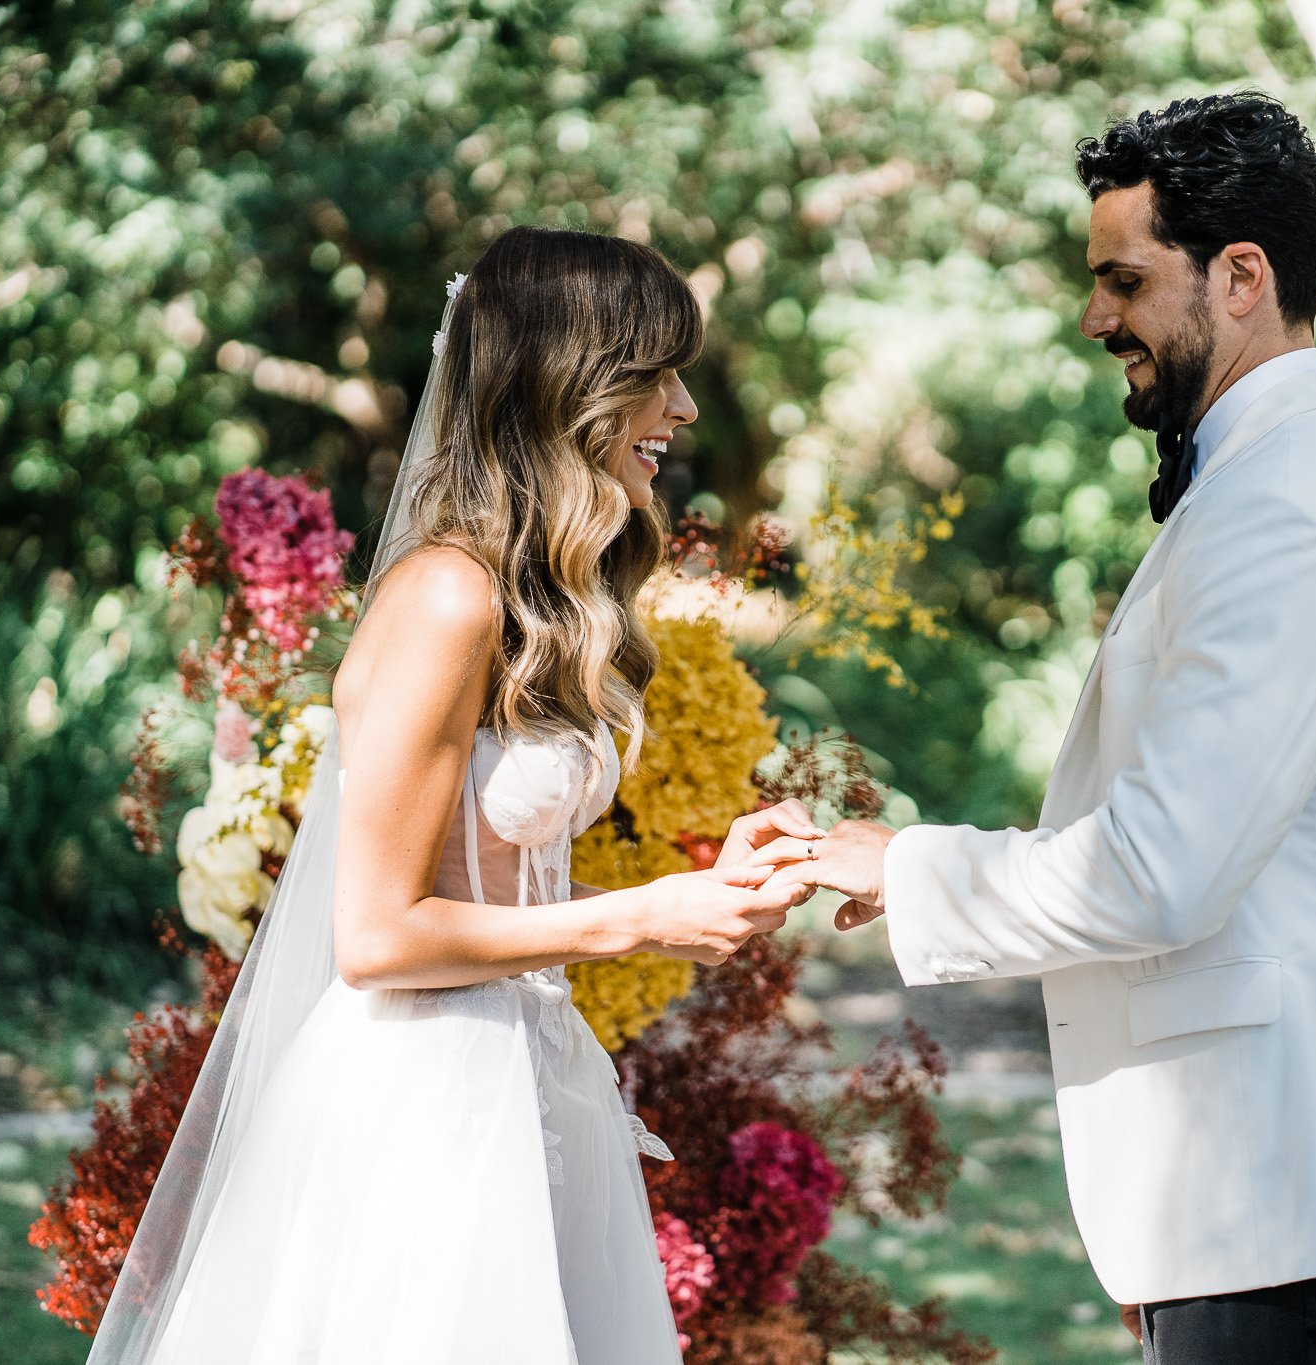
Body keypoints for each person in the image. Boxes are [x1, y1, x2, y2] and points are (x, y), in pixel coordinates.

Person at [803, 94, 1316, 1364]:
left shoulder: (1288, 501)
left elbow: (1165, 867)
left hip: (1288, 1186)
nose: (1093, 318)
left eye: (1124, 280)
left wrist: (906, 867)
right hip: (1257, 1197)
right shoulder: (1265, 481)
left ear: (1240, 278)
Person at [85, 227, 823, 1364]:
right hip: (422, 1100)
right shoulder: (444, 598)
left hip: (530, 1067)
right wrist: (647, 917)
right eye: (654, 375)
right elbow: (377, 937)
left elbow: (490, 860)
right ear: (567, 388)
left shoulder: (538, 599)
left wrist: (716, 878)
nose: (679, 409)